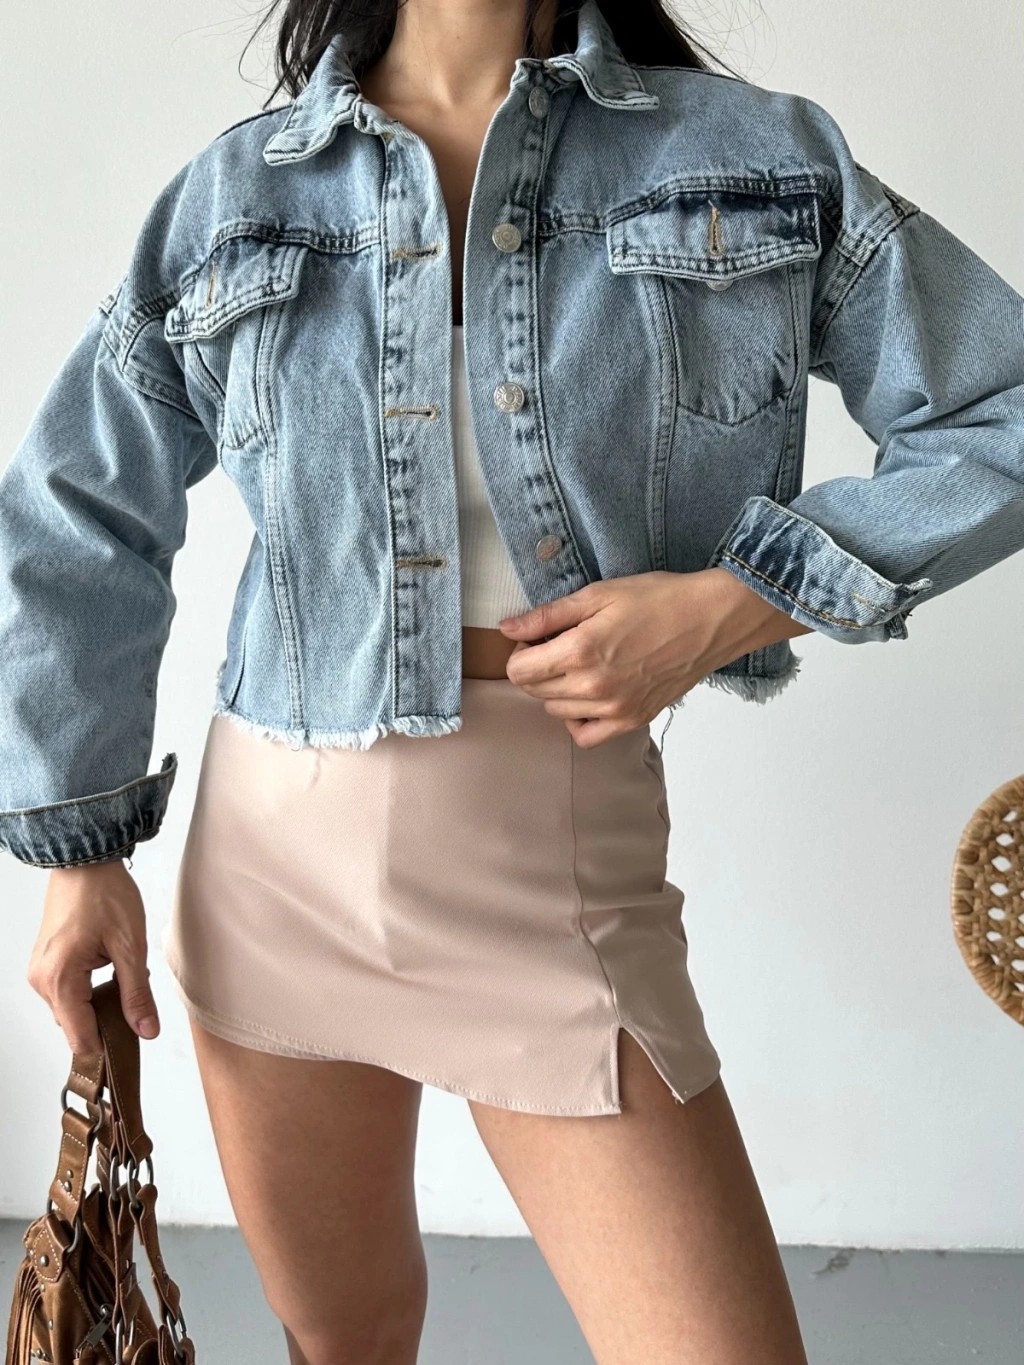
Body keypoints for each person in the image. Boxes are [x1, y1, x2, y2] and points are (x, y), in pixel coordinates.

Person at [2, 0, 1022, 1361]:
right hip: (270, 885)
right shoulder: (236, 195)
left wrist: (734, 602)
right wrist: (80, 851)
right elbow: (75, 514)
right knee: (347, 1339)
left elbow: (999, 412)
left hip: (560, 884)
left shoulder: (752, 158)